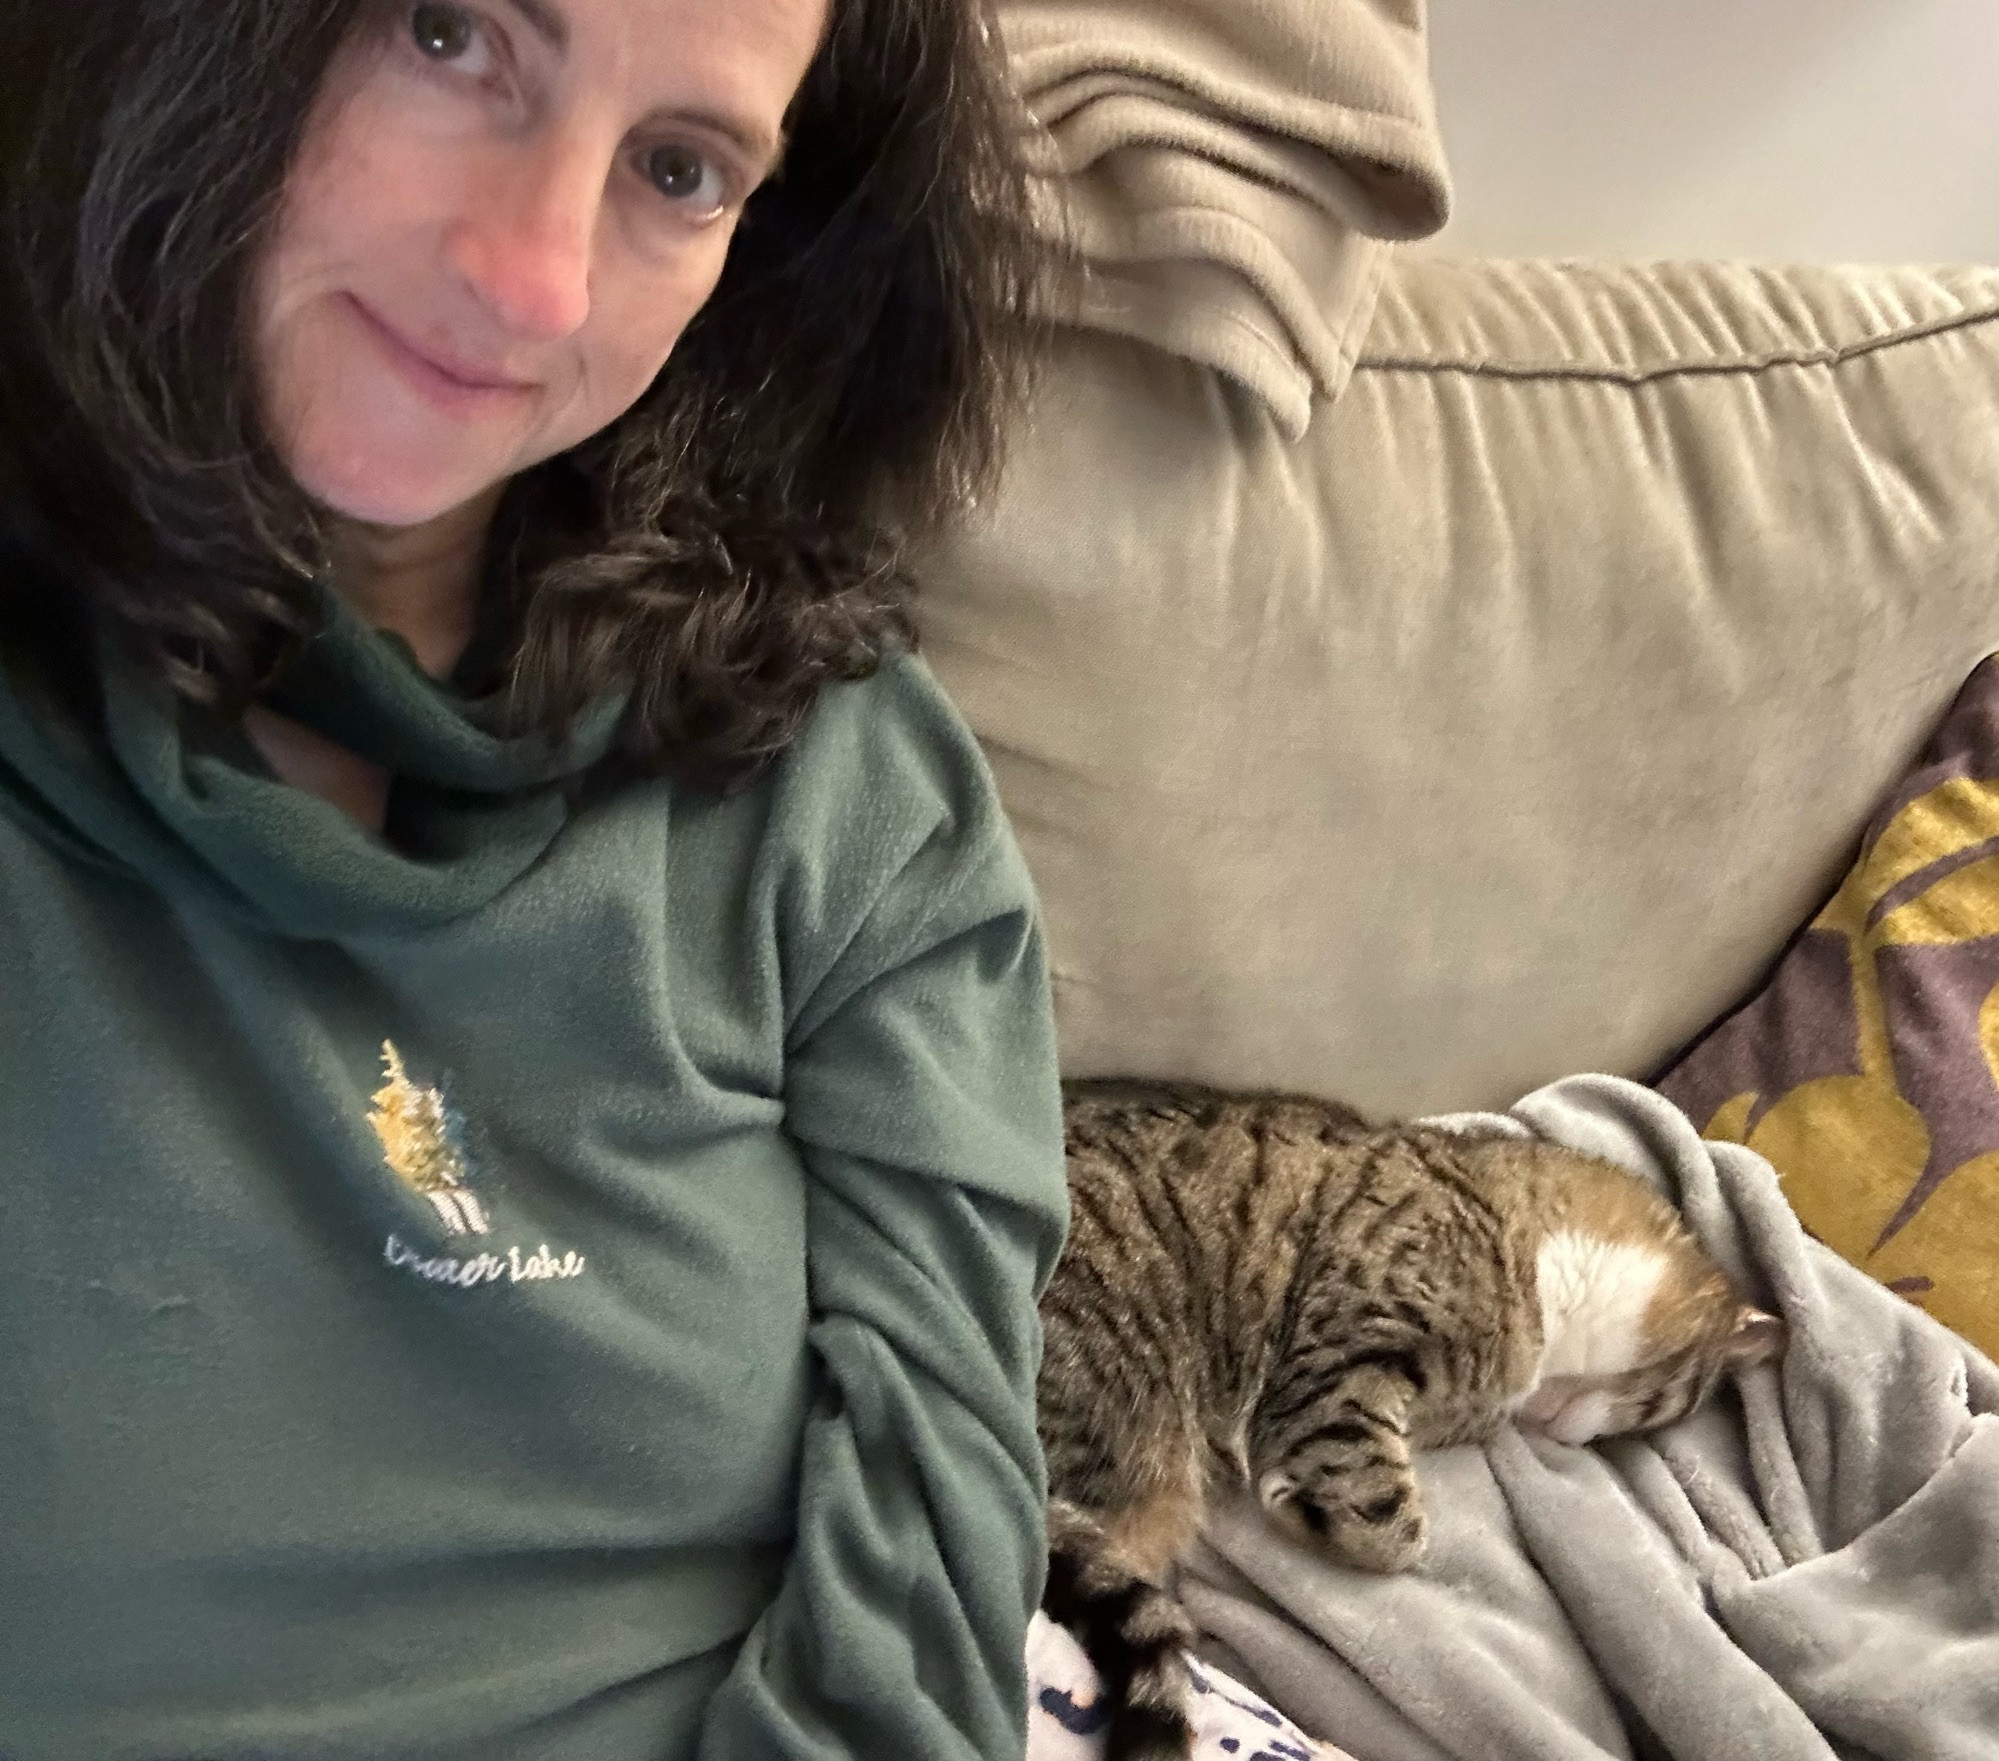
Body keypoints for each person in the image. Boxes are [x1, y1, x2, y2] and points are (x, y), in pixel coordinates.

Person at [0, 1, 1068, 1757]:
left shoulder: (843, 779)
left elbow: (935, 1544)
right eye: (451, 36)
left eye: (679, 168)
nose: (536, 280)